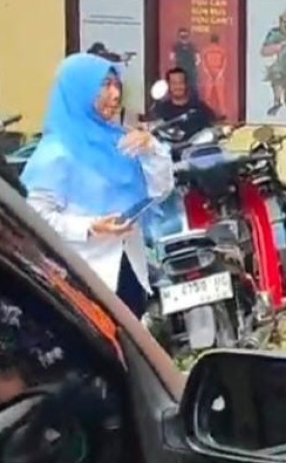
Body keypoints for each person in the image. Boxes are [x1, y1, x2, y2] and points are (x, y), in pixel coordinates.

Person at [22, 53, 175, 318]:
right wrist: (91, 227)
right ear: (78, 90)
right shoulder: (56, 151)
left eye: (117, 85)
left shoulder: (120, 140)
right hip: (83, 280)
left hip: (128, 267)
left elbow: (160, 190)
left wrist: (152, 149)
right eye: (104, 85)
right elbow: (34, 218)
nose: (115, 95)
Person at [149, 67, 220, 137]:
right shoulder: (161, 111)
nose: (178, 86)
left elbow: (215, 126)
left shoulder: (200, 108)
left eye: (181, 82)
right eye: (174, 83)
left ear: (186, 84)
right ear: (168, 86)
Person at [200, 33, 229, 116]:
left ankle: (207, 113)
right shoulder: (222, 50)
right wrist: (219, 74)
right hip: (218, 72)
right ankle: (223, 113)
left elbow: (203, 63)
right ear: (218, 41)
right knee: (220, 96)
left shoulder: (206, 50)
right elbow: (224, 64)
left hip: (209, 73)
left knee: (208, 96)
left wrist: (208, 74)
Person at [170, 28, 201, 100]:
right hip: (181, 71)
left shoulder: (192, 46)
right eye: (182, 35)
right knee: (181, 89)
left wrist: (193, 65)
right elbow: (172, 57)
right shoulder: (176, 46)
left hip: (191, 71)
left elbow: (198, 58)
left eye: (185, 34)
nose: (183, 36)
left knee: (193, 88)